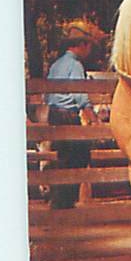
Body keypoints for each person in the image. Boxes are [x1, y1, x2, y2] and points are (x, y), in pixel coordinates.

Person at [46, 19, 106, 209]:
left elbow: (48, 94)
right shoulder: (76, 66)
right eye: (88, 46)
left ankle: (59, 198)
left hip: (54, 114)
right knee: (78, 156)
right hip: (67, 115)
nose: (89, 51)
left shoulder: (56, 65)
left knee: (63, 157)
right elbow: (79, 95)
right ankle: (65, 201)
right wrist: (94, 119)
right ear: (81, 45)